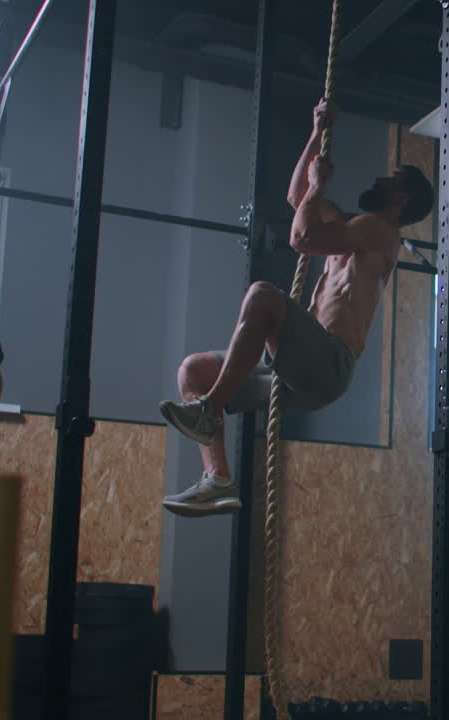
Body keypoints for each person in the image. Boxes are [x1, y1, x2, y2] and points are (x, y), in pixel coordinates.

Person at [159, 100, 433, 516]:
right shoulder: (356, 228)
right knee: (192, 371)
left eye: (390, 178)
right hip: (294, 370)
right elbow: (297, 196)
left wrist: (319, 185)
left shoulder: (380, 233)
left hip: (328, 364)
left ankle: (209, 409)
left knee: (263, 296)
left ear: (400, 197)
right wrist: (315, 132)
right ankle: (217, 479)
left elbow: (302, 238)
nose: (379, 177)